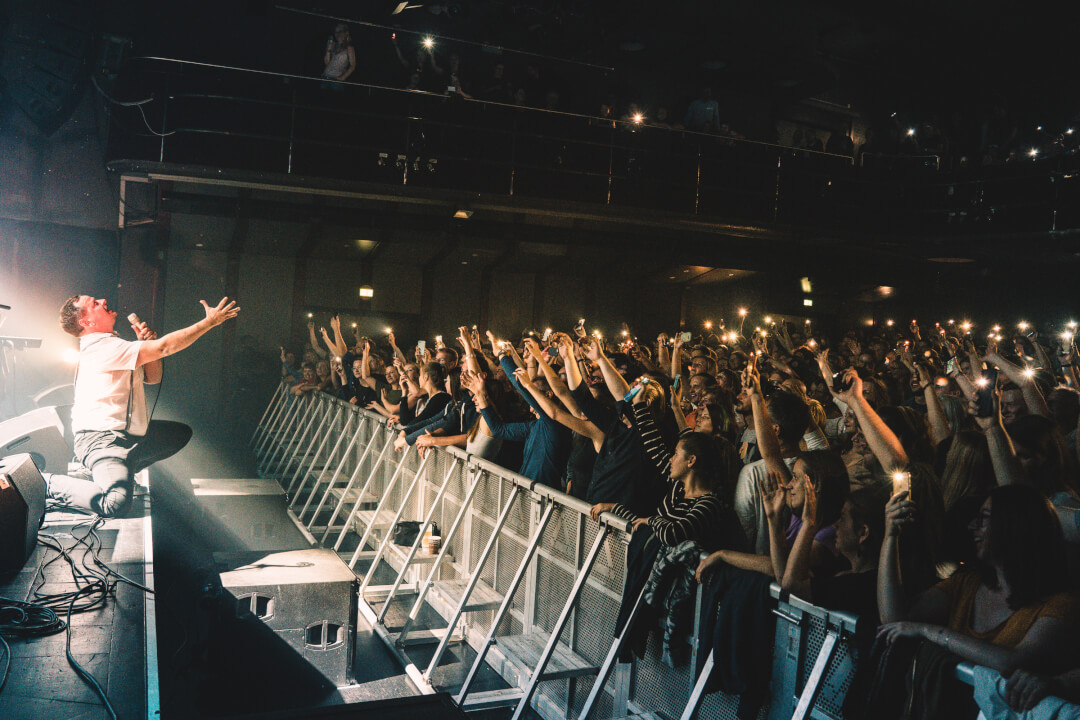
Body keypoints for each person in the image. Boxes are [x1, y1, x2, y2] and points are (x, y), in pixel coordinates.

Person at [47, 295, 240, 516]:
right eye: (94, 304)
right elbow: (164, 347)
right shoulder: (101, 348)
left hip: (127, 438)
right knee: (115, 504)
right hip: (103, 440)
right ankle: (46, 483)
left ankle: (115, 470)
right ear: (86, 322)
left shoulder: (115, 344)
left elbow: (153, 377)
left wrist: (145, 345)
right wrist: (209, 322)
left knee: (178, 434)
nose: (102, 300)